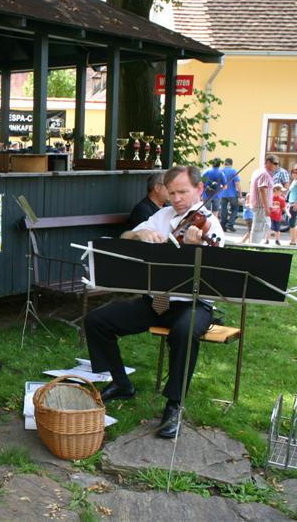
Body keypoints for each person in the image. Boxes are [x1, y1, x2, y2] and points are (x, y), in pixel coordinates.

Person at [84, 165, 224, 439]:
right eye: (172, 193)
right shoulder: (163, 215)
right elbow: (125, 237)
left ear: (199, 190)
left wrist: (196, 248)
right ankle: (122, 384)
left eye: (183, 192)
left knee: (184, 332)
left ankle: (174, 405)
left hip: (192, 304)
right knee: (97, 321)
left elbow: (217, 273)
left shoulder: (209, 225)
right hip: (157, 302)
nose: (177, 199)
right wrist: (140, 234)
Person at [249, 155, 278, 244]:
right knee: (259, 227)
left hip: (258, 205)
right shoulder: (264, 174)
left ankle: (254, 243)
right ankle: (254, 246)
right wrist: (266, 207)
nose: (277, 166)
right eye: (275, 163)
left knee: (265, 225)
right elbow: (262, 190)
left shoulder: (259, 171)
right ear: (268, 162)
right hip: (261, 206)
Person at [219, 158, 240, 232]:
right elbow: (237, 184)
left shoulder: (221, 171)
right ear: (231, 163)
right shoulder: (233, 171)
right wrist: (240, 193)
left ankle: (223, 226)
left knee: (223, 210)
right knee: (235, 209)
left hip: (222, 194)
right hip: (232, 194)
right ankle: (230, 224)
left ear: (225, 163)